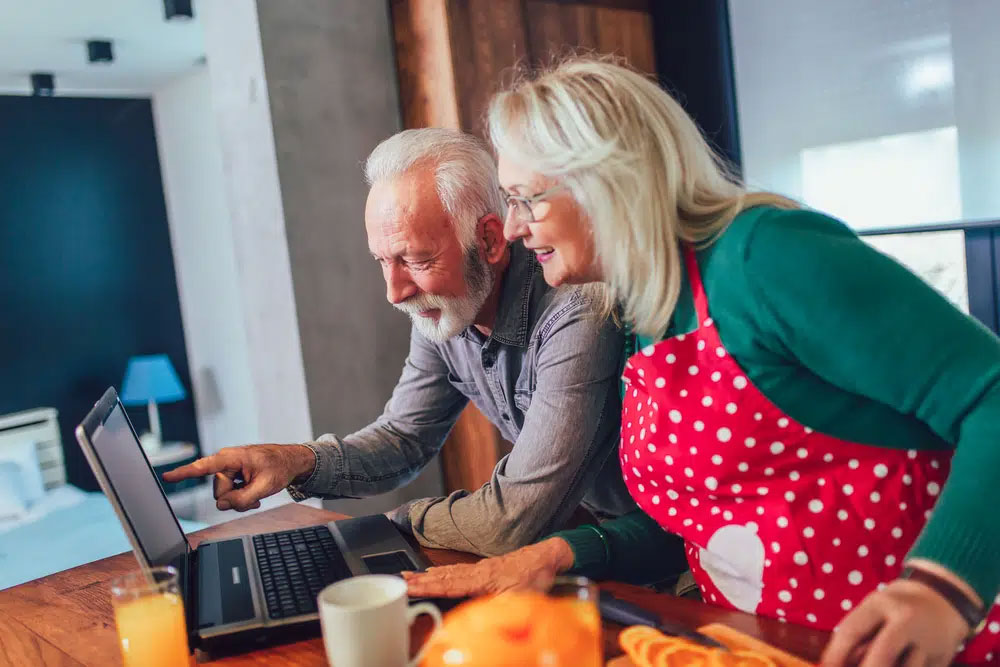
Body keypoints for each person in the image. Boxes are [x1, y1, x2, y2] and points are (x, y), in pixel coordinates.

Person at [402, 60, 1000, 665]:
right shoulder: (639, 310)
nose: (512, 227)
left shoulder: (763, 257)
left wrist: (942, 586)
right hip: (763, 647)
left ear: (609, 180)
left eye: (525, 198)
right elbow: (707, 525)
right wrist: (559, 554)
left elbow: (992, 393)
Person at [164, 128, 636, 556]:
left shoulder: (575, 310)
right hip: (580, 543)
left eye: (415, 260)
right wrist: (292, 461)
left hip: (653, 551)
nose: (395, 292)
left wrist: (402, 521)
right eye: (382, 261)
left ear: (490, 240)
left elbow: (508, 520)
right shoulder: (443, 309)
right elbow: (404, 438)